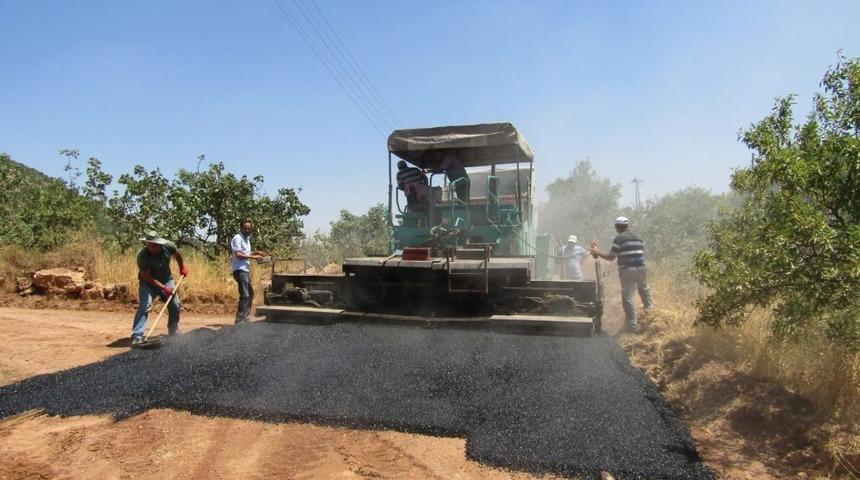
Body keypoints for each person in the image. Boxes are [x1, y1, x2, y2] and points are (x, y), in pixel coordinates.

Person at [590, 217, 653, 332]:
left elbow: (611, 257)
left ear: (617, 227)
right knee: (644, 289)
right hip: (641, 268)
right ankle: (650, 312)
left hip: (628, 270)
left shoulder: (619, 239)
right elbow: (637, 253)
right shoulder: (639, 238)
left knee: (627, 297)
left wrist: (597, 252)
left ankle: (632, 325)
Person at [131, 231, 188, 344]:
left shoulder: (169, 246)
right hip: (148, 283)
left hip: (167, 280)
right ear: (146, 244)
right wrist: (163, 288)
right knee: (145, 305)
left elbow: (178, 255)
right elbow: (147, 277)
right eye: (149, 245)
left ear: (160, 244)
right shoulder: (143, 257)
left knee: (175, 304)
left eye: (155, 245)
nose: (152, 247)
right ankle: (137, 335)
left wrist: (182, 267)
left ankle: (173, 330)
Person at [231, 219, 267, 324]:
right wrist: (253, 257)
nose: (247, 230)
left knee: (250, 294)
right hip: (240, 270)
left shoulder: (246, 239)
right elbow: (238, 254)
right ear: (241, 228)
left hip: (245, 270)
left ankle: (245, 316)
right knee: (245, 295)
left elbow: (245, 252)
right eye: (245, 228)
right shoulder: (237, 238)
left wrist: (255, 252)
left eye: (249, 228)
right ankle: (239, 319)